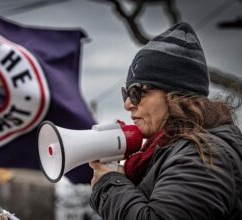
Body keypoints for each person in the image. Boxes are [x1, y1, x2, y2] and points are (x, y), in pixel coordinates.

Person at [88, 22, 242, 220]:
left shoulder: (204, 155)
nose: (127, 104)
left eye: (136, 93)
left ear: (175, 95)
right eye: (126, 93)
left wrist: (109, 185)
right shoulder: (176, 152)